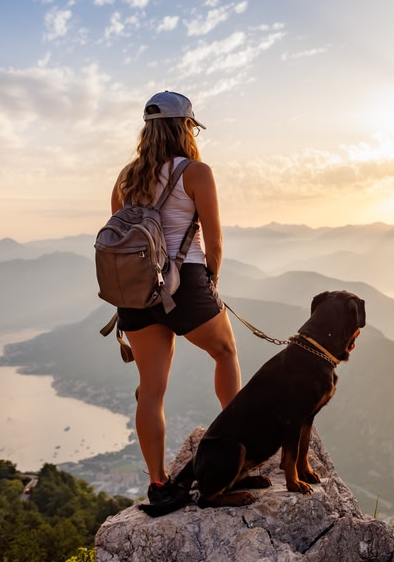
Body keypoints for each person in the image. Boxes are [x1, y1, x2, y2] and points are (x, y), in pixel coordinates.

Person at [110, 90, 241, 511]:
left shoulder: (126, 178)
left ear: (147, 130)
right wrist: (211, 283)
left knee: (151, 388)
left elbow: (118, 237)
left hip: (136, 290)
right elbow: (215, 240)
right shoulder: (196, 172)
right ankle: (238, 453)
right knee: (225, 352)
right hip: (185, 282)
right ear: (186, 127)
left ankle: (158, 483)